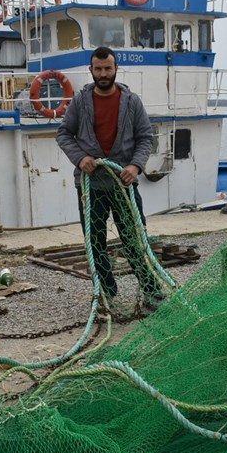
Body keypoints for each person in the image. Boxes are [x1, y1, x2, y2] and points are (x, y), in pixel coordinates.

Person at [56, 46, 164, 308]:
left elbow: (145, 138)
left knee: (135, 239)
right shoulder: (80, 102)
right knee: (95, 243)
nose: (103, 74)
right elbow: (64, 134)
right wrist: (81, 158)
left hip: (124, 185)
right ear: (91, 70)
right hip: (90, 186)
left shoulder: (132, 102)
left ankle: (151, 290)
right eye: (98, 69)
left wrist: (136, 166)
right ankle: (107, 294)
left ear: (116, 69)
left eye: (108, 68)